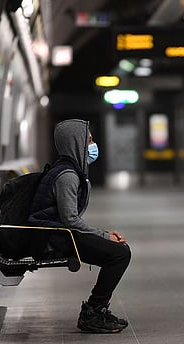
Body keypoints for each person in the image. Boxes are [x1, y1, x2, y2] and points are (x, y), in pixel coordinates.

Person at [29, 119, 131, 334]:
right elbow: (70, 220)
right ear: (76, 142)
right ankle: (93, 312)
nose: (93, 146)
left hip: (56, 232)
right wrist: (104, 236)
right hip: (53, 237)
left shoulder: (67, 170)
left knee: (117, 251)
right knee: (120, 254)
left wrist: (104, 235)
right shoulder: (67, 176)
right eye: (89, 140)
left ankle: (95, 310)